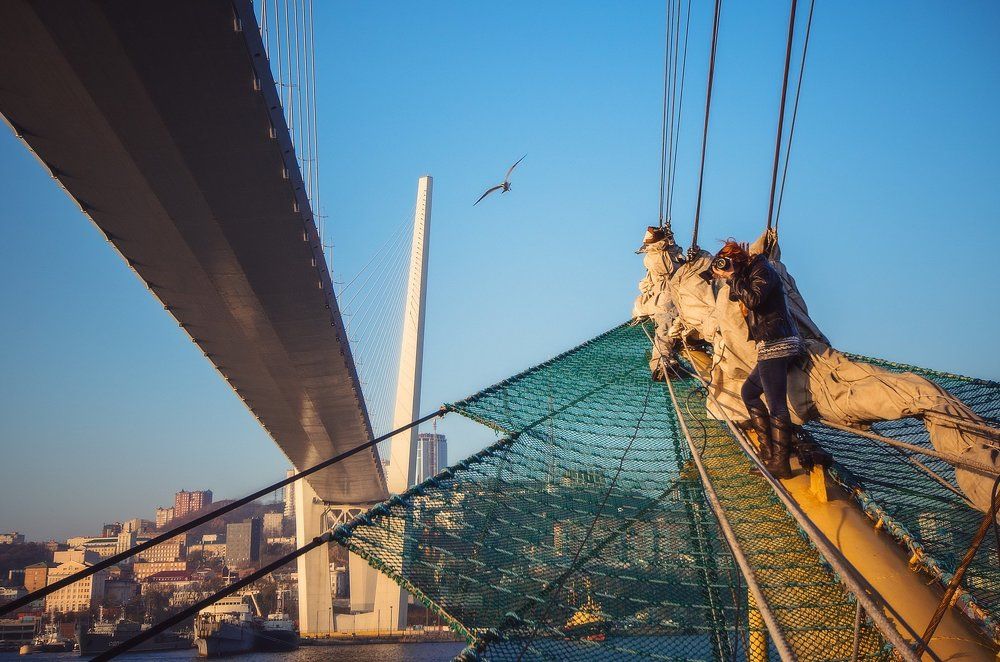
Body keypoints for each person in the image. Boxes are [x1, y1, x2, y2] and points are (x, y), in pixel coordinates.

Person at [704, 240, 803, 478]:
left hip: (777, 344)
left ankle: (780, 464)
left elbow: (752, 300)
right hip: (770, 345)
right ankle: (768, 451)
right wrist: (730, 276)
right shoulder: (749, 273)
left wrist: (732, 274)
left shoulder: (762, 269)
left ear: (736, 259)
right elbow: (735, 298)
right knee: (749, 393)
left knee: (776, 404)